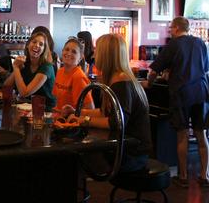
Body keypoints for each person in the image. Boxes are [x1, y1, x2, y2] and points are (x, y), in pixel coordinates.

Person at [63, 34, 151, 173]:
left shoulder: (122, 83)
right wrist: (77, 112)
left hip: (131, 155)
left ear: (107, 55)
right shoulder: (118, 78)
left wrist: (84, 120)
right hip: (128, 150)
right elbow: (105, 112)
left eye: (98, 50)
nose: (94, 53)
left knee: (74, 154)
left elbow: (116, 122)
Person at [147, 16, 209, 188]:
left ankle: (182, 177)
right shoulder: (200, 43)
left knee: (182, 135)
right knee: (201, 133)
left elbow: (153, 70)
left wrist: (149, 83)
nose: (170, 31)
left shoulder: (173, 44)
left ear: (175, 28)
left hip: (182, 93)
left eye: (171, 28)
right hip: (201, 92)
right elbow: (204, 68)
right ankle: (204, 176)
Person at [4, 31, 56, 110]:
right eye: (34, 42)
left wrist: (16, 67)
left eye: (41, 44)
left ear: (43, 50)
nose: (37, 45)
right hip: (27, 108)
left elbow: (25, 93)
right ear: (28, 45)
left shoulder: (47, 67)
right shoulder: (25, 63)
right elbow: (7, 86)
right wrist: (17, 69)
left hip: (46, 111)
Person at [53, 38, 94, 112]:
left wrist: (74, 111)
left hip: (72, 121)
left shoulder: (79, 77)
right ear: (62, 51)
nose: (69, 53)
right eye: (67, 49)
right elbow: (58, 102)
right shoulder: (60, 71)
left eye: (74, 52)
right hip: (59, 119)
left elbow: (90, 108)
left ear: (80, 58)